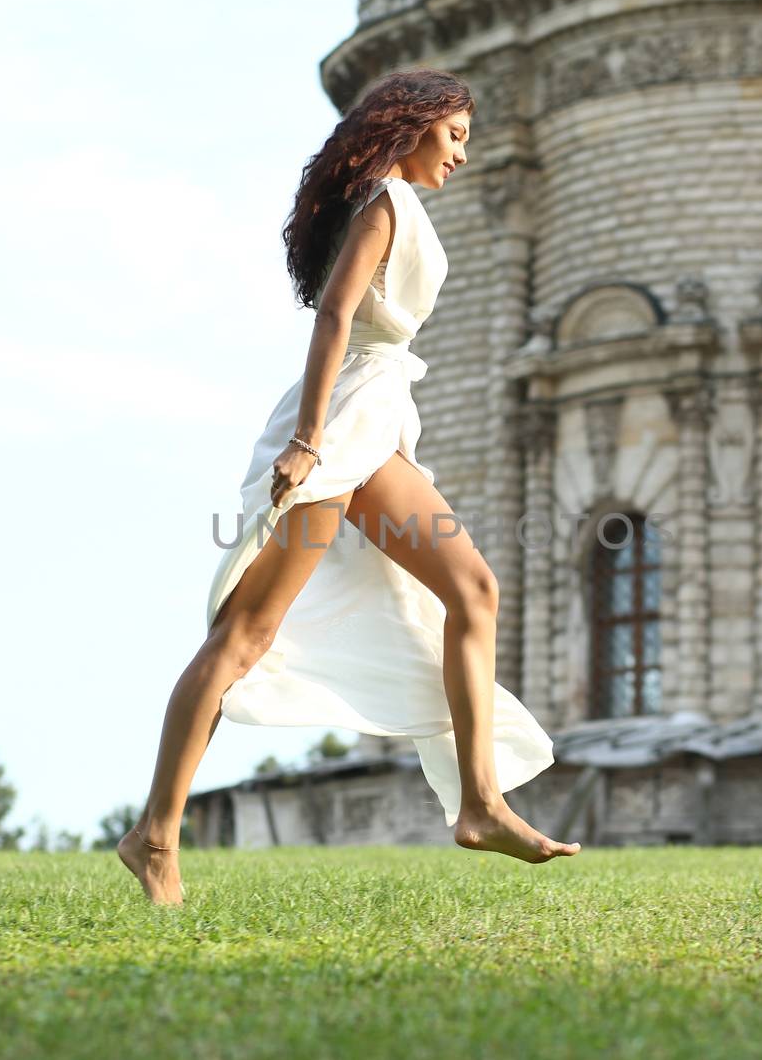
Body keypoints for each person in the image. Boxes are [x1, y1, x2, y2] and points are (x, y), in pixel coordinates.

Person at [118, 68, 580, 905]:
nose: (464, 153)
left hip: (377, 420)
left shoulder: (398, 201)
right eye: (457, 134)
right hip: (340, 425)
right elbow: (334, 315)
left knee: (473, 588)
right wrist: (307, 441)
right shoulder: (386, 201)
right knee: (247, 636)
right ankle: (153, 835)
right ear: (413, 126)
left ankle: (479, 802)